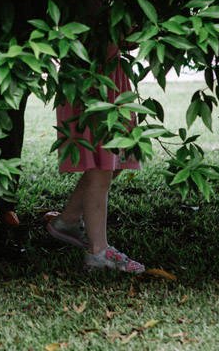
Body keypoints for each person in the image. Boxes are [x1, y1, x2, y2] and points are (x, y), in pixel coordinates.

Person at [45, 46, 145, 274]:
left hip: (111, 74)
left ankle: (68, 220)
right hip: (92, 81)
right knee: (102, 166)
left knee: (117, 159)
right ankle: (98, 250)